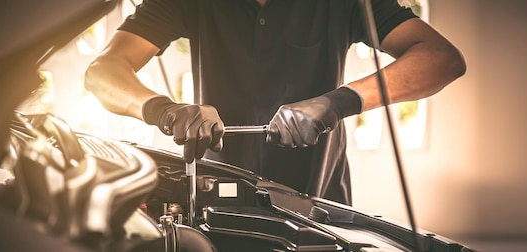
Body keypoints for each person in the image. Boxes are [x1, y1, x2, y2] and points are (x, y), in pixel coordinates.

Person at [84, 0, 466, 205]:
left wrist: (340, 101)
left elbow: (441, 58)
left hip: (318, 205)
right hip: (216, 202)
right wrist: (165, 110)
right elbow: (102, 72)